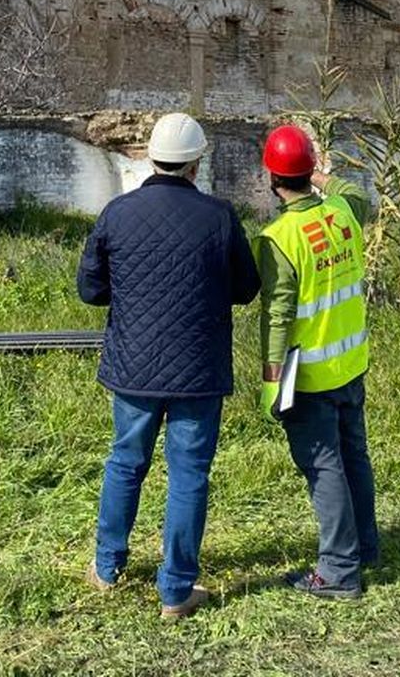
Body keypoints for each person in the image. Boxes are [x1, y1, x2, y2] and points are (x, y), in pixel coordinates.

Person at [77, 111, 261, 619]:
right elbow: (247, 289)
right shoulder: (220, 217)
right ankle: (176, 591)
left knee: (125, 464)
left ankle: (107, 566)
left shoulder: (117, 213)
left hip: (133, 369)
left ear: (150, 157)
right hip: (198, 370)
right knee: (189, 476)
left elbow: (90, 291)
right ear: (196, 163)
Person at [254, 122, 378, 600]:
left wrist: (271, 380)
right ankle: (364, 547)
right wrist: (321, 175)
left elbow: (278, 315)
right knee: (353, 456)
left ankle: (339, 571)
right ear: (308, 172)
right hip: (351, 362)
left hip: (308, 377)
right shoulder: (344, 213)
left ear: (271, 177)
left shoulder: (278, 237)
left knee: (324, 466)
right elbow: (353, 190)